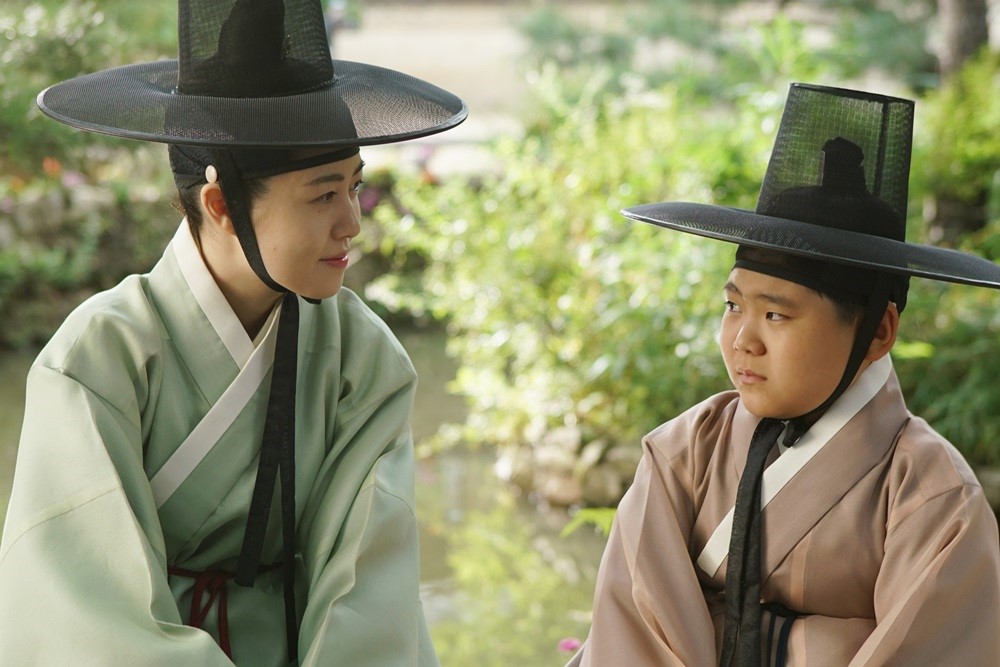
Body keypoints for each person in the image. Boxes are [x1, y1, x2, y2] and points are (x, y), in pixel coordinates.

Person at [0, 0, 466, 664]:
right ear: (221, 204)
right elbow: (84, 608)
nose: (352, 223)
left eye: (354, 187)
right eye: (323, 194)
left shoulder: (362, 361)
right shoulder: (97, 360)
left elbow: (368, 596)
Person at [567, 83, 1000, 666]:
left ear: (877, 332)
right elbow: (635, 631)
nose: (742, 339)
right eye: (733, 306)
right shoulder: (685, 452)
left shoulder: (932, 496)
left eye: (776, 315)